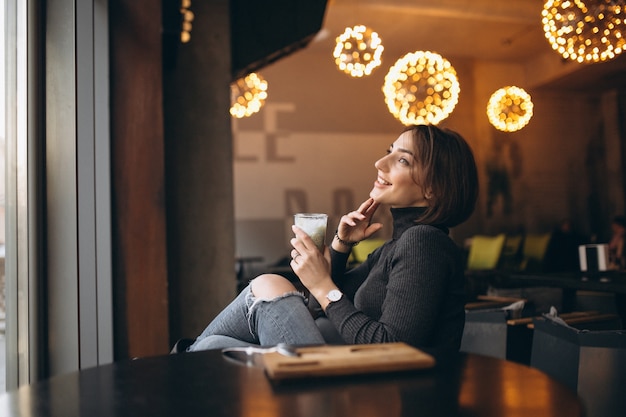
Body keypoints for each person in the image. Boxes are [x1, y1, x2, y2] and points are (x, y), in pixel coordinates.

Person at [182, 124, 479, 354]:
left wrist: (323, 285)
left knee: (268, 284)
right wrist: (340, 247)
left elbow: (394, 347)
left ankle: (174, 373)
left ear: (433, 189)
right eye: (389, 150)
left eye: (402, 160)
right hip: (353, 371)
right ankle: (180, 368)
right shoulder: (395, 247)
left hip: (382, 393)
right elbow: (316, 306)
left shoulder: (424, 243)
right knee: (212, 347)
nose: (380, 162)